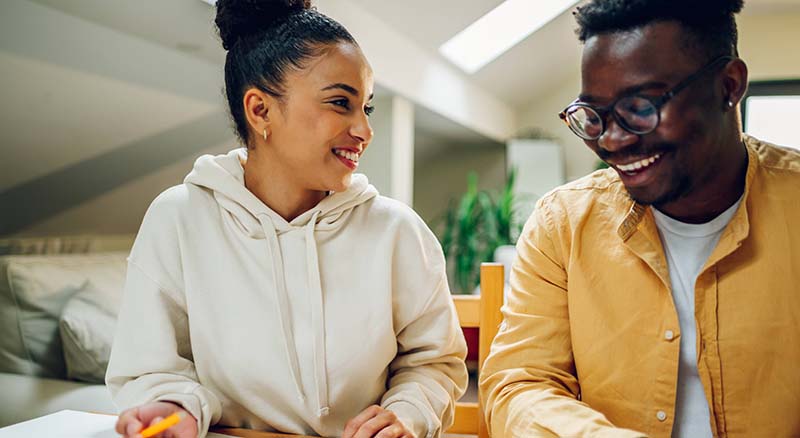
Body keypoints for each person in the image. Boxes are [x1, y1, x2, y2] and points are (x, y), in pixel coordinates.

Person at [106, 1, 467, 437]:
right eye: (340, 102)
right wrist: (173, 408)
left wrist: (407, 412)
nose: (364, 130)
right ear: (259, 110)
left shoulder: (398, 232)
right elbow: (151, 369)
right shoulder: (177, 219)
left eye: (366, 108)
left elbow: (435, 364)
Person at [480, 0, 800, 436]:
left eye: (641, 108)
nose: (612, 140)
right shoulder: (563, 223)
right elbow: (519, 384)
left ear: (729, 85)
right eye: (594, 116)